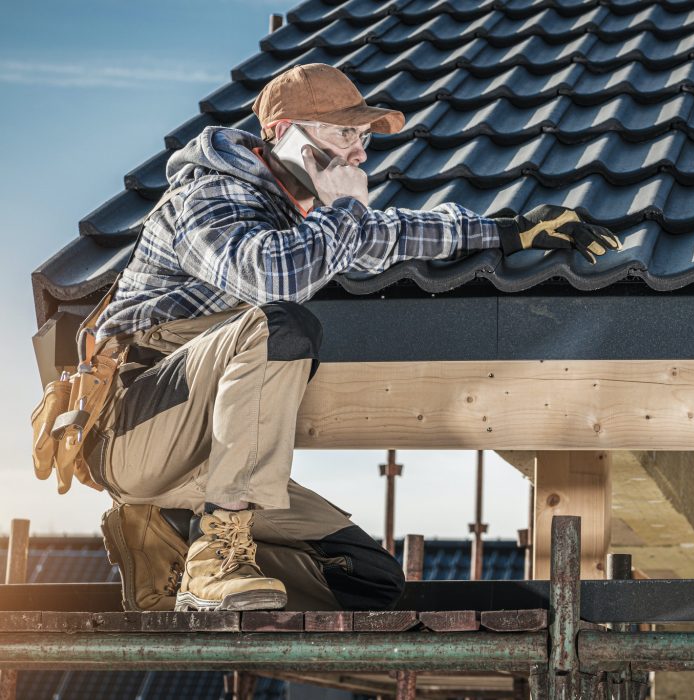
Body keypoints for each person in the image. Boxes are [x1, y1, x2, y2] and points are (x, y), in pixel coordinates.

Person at [88, 63, 621, 612]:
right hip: (140, 429)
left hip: (208, 469)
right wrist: (345, 210)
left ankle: (172, 538)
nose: (360, 154)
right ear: (282, 132)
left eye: (362, 138)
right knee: (282, 325)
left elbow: (394, 232)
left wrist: (510, 231)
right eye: (344, 134)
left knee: (369, 584)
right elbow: (271, 279)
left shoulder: (304, 216)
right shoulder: (206, 196)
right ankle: (216, 555)